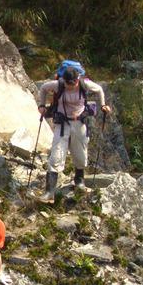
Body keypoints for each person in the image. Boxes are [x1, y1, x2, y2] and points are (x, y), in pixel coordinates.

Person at [36, 68, 111, 203]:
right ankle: (49, 192)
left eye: (72, 83)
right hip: (62, 123)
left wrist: (103, 105)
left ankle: (79, 181)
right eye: (68, 83)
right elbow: (43, 89)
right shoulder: (58, 84)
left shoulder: (84, 84)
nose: (70, 86)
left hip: (79, 123)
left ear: (77, 80)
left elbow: (99, 89)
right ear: (64, 80)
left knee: (80, 154)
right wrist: (41, 105)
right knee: (56, 154)